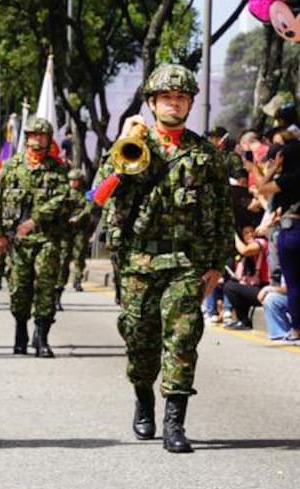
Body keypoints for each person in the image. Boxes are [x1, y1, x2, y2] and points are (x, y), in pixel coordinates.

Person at [98, 64, 232, 453]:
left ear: (190, 103)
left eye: (181, 98)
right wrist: (123, 145)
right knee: (139, 339)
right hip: (140, 261)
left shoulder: (204, 154)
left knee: (183, 339)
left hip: (186, 264)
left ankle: (175, 422)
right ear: (153, 103)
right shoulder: (134, 144)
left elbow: (223, 213)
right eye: (167, 98)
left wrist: (215, 265)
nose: (174, 104)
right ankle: (143, 396)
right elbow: (100, 195)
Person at [0, 117, 71, 356]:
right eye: (33, 135)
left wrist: (35, 220)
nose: (37, 140)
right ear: (26, 138)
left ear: (49, 139)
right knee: (19, 289)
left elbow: (62, 199)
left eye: (42, 135)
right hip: (18, 241)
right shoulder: (11, 166)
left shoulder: (57, 169)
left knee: (45, 288)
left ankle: (42, 337)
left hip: (47, 238)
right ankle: (20, 333)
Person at [252, 140, 300, 346]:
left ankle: (297, 329)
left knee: (293, 282)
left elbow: (262, 188)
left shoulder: (289, 178)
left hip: (290, 232)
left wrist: (273, 168)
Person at [62, 168, 93, 292]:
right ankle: (61, 281)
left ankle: (77, 280)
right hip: (66, 229)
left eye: (75, 180)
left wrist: (78, 217)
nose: (73, 183)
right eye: (71, 180)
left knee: (79, 256)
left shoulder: (86, 193)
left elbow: (89, 208)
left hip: (80, 229)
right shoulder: (65, 192)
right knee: (64, 256)